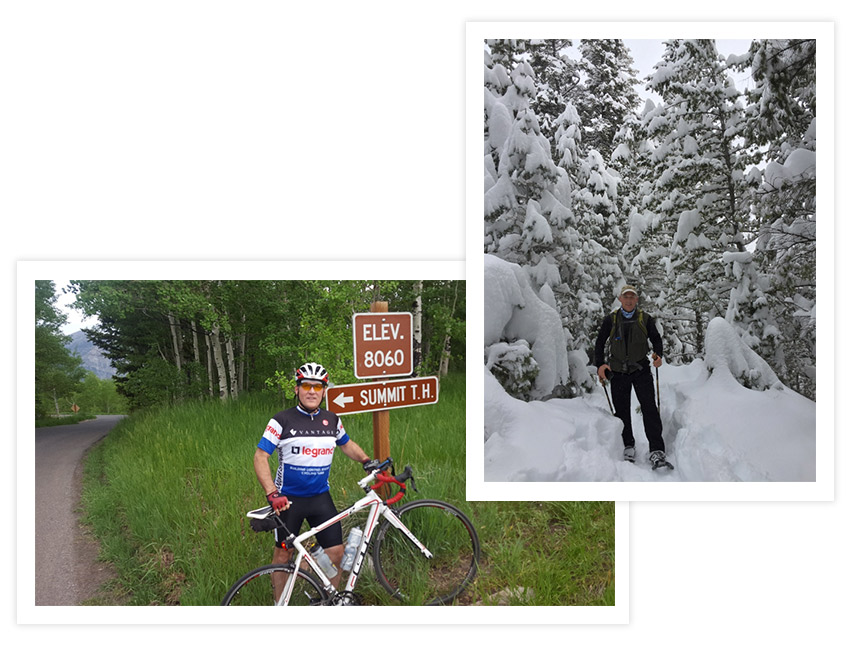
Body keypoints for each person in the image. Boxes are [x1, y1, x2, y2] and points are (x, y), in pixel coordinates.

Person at [253, 362, 371, 595]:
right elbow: (260, 456)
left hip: (320, 498)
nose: (312, 391)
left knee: (335, 551)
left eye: (318, 387)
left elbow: (346, 445)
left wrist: (367, 460)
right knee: (283, 553)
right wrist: (271, 492)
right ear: (297, 389)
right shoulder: (281, 420)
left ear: (324, 391)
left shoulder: (332, 420)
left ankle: (331, 600)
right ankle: (280, 605)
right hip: (288, 501)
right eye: (306, 385)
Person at [593, 286, 667, 467]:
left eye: (632, 297)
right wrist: (600, 364)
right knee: (622, 411)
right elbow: (600, 342)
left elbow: (656, 339)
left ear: (636, 300)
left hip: (641, 370)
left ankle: (656, 449)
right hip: (618, 372)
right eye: (626, 297)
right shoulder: (611, 320)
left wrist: (658, 355)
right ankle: (628, 445)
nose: (628, 300)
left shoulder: (645, 319)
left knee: (649, 408)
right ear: (620, 299)